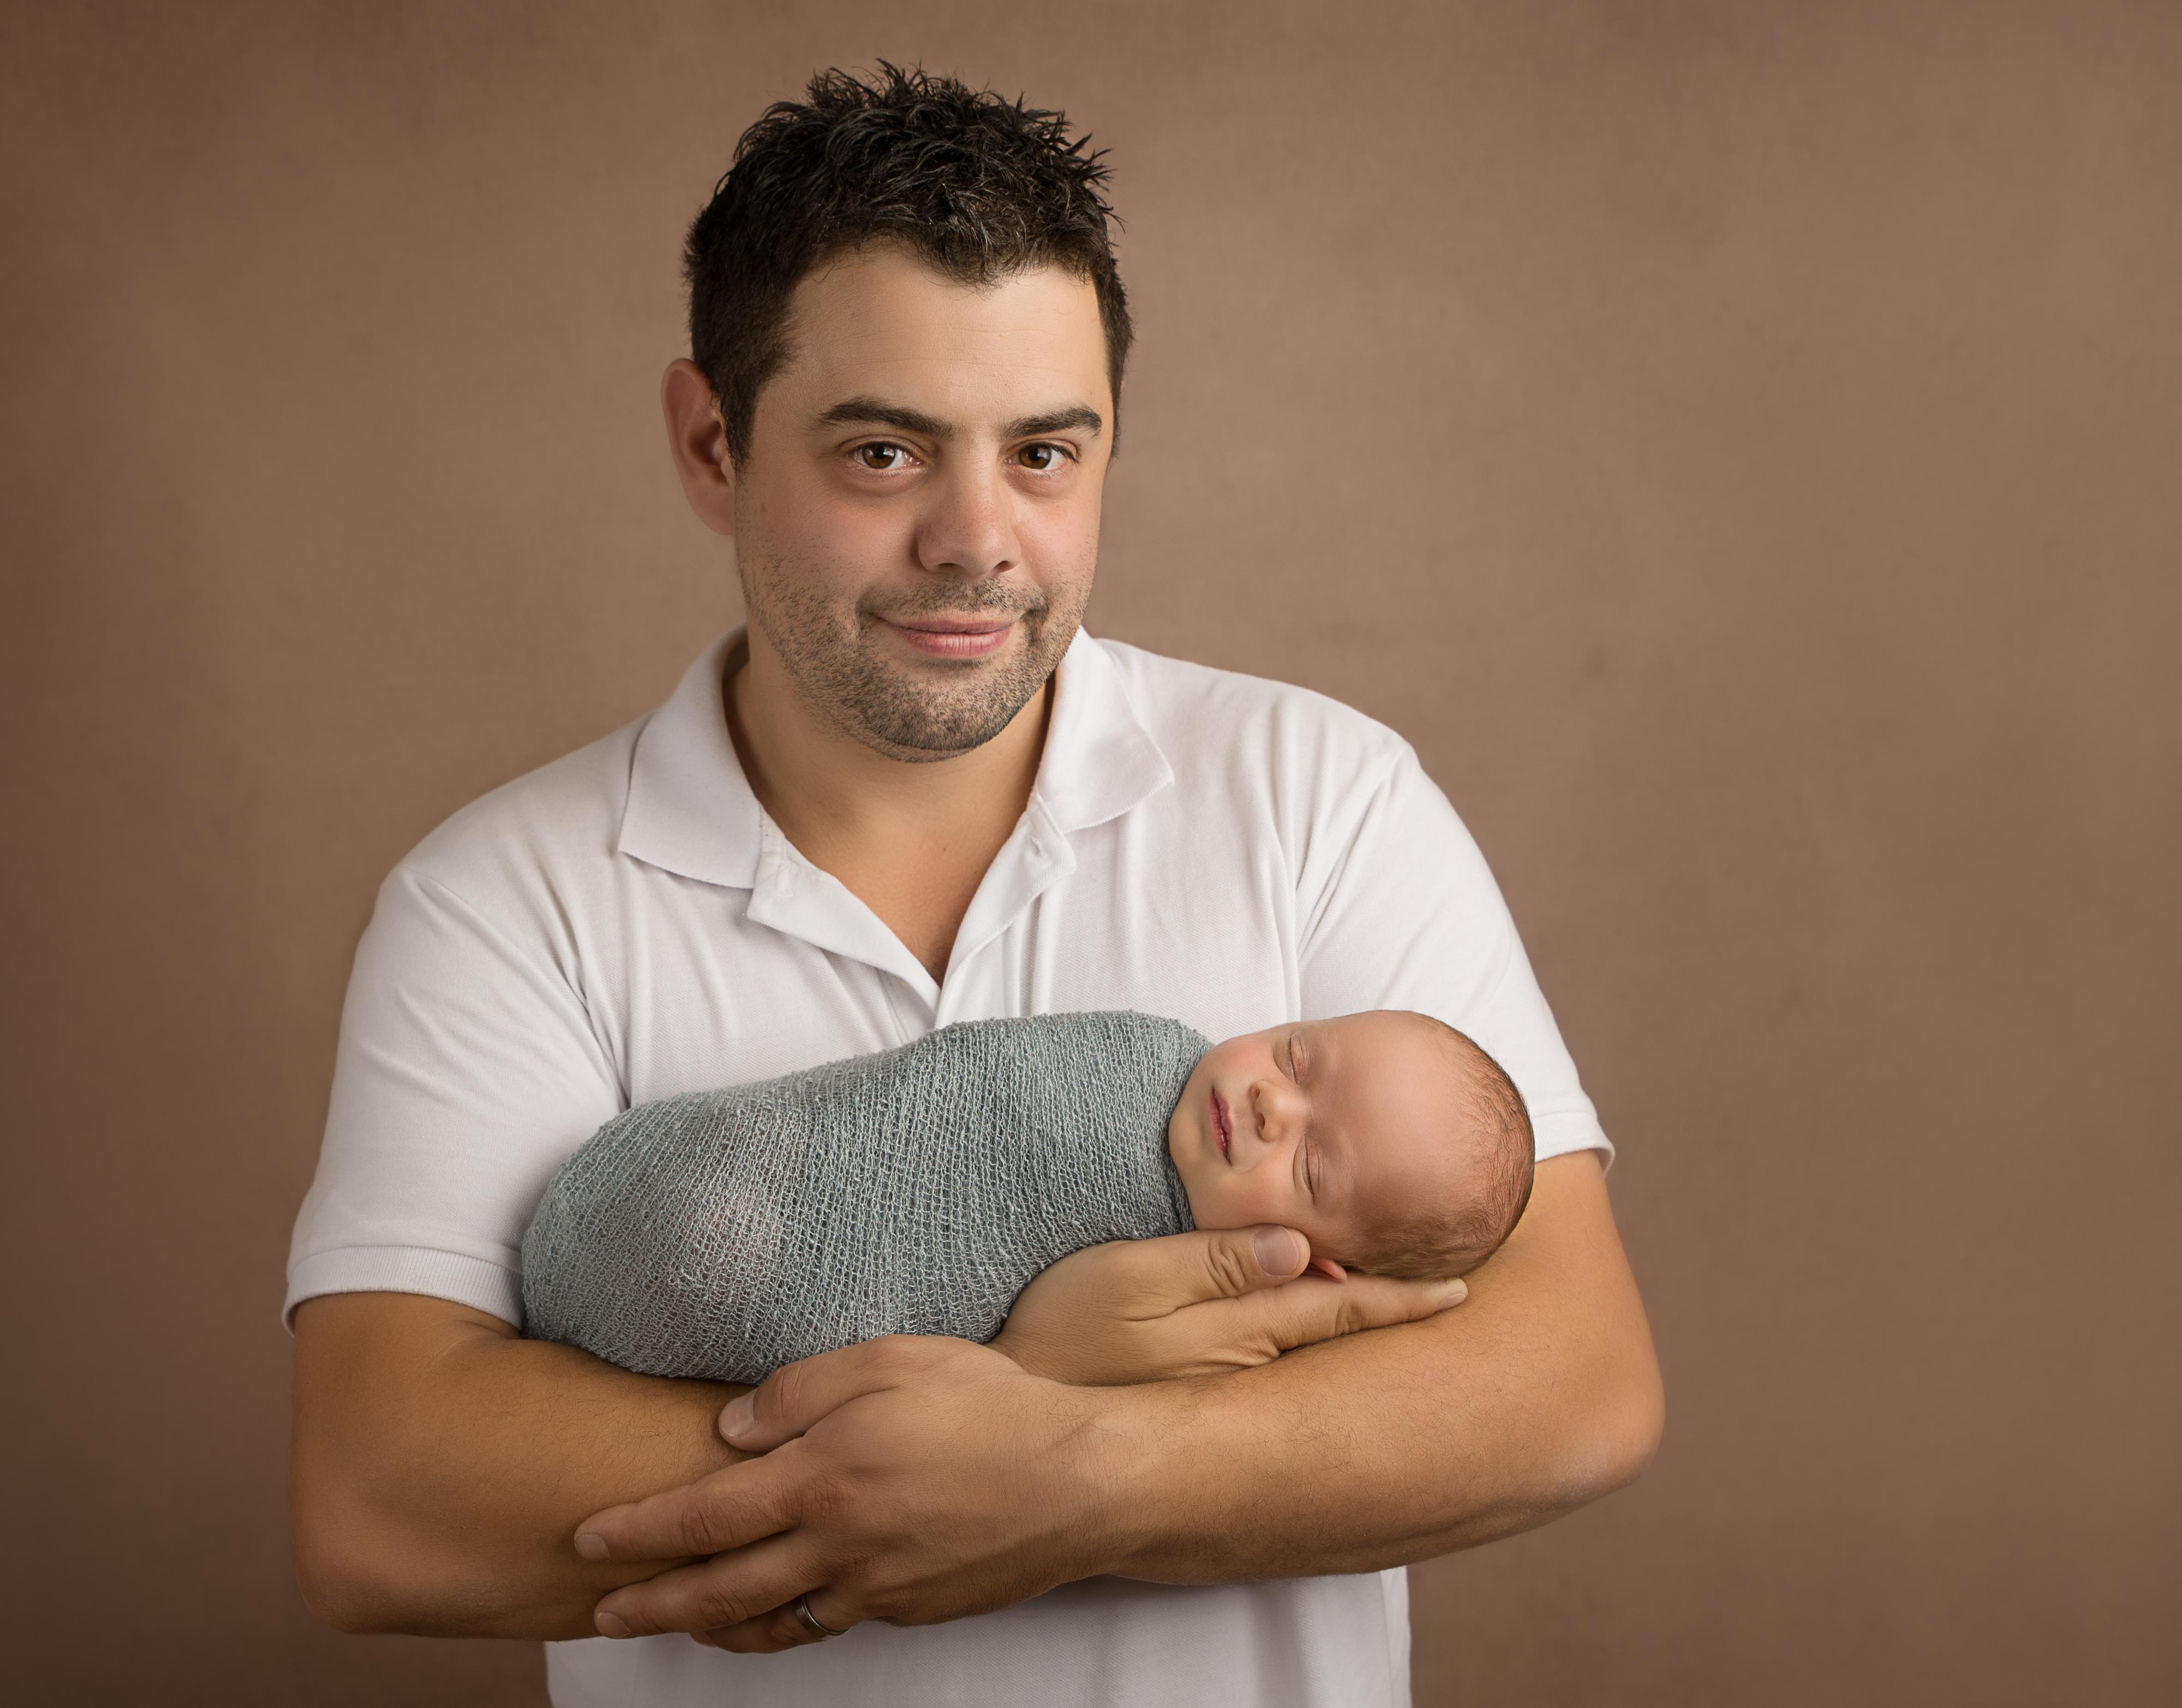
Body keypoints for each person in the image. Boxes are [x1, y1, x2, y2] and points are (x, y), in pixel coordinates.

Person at [285, 64, 1661, 1707]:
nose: (978, 539)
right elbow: (383, 1503)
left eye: (1045, 453)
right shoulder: (499, 903)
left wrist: (1072, 1473)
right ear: (711, 444)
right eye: (883, 453)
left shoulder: (1316, 795)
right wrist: (997, 1405)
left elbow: (1570, 1381)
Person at [521, 1007, 1540, 1385]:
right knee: (726, 1200)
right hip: (757, 1160)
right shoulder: (1142, 1049)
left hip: (797, 1279)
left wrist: (1031, 1371)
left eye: (1312, 1168)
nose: (1272, 1103)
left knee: (724, 1252)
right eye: (1296, 1054)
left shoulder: (1215, 1327)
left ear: (1320, 1270)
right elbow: (952, 1087)